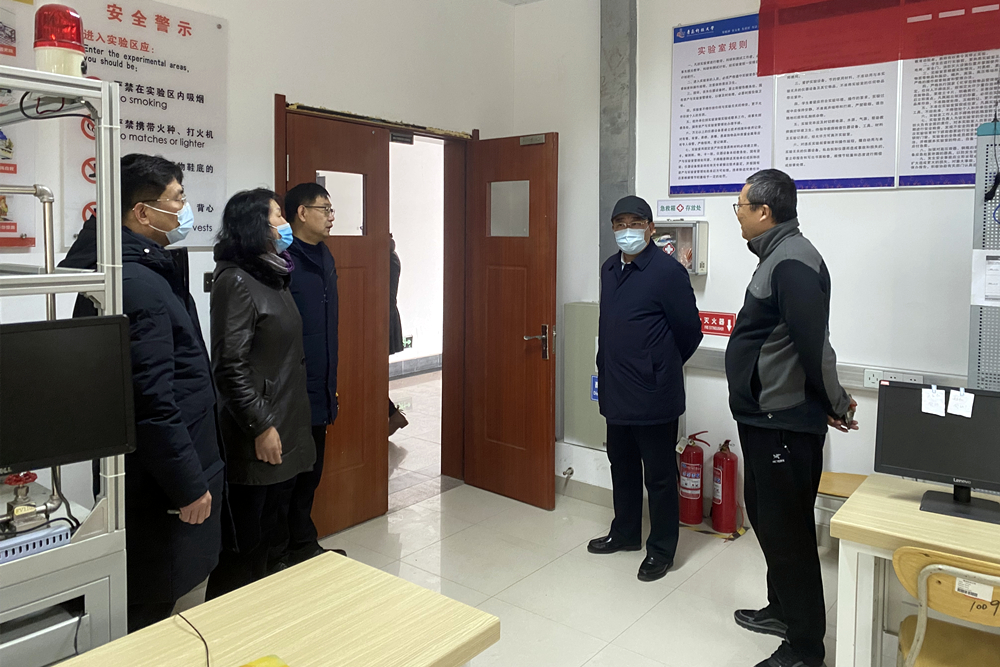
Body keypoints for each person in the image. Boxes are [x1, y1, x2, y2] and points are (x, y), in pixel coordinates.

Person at [60, 154, 224, 632]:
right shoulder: (135, 285)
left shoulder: (139, 272)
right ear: (142, 212)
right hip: (159, 482)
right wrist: (187, 483)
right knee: (153, 601)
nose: (185, 208)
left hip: (151, 471)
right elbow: (152, 400)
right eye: (178, 199)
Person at [727, 169, 858, 667]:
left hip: (782, 420)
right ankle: (782, 610)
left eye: (741, 206)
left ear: (764, 212)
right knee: (767, 518)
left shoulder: (794, 260)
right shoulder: (777, 256)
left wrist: (834, 402)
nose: (738, 215)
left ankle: (805, 649)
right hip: (765, 419)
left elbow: (814, 344)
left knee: (789, 534)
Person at [206, 188, 316, 597]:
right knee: (246, 544)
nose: (285, 223)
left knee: (272, 531)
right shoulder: (236, 280)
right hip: (259, 429)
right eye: (277, 216)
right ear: (256, 225)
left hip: (285, 420)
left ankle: (266, 611)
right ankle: (230, 620)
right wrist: (261, 426)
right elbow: (229, 366)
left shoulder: (273, 273)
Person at [588, 195, 703, 583]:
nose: (627, 231)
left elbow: (690, 331)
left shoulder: (668, 272)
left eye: (635, 223)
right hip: (616, 388)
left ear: (651, 228)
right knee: (621, 465)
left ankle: (661, 549)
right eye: (619, 224)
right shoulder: (609, 268)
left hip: (654, 393)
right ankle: (624, 533)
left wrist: (659, 365)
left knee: (659, 475)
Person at [283, 182, 345, 564]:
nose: (331, 217)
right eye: (325, 209)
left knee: (311, 473)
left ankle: (303, 546)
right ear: (302, 213)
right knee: (288, 479)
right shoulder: (284, 260)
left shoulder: (324, 255)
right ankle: (282, 554)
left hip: (321, 385)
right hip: (291, 391)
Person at [388, 233, 408, 436]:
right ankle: (392, 415)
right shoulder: (388, 256)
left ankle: (393, 415)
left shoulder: (389, 258)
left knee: (374, 374)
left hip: (385, 319)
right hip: (384, 317)